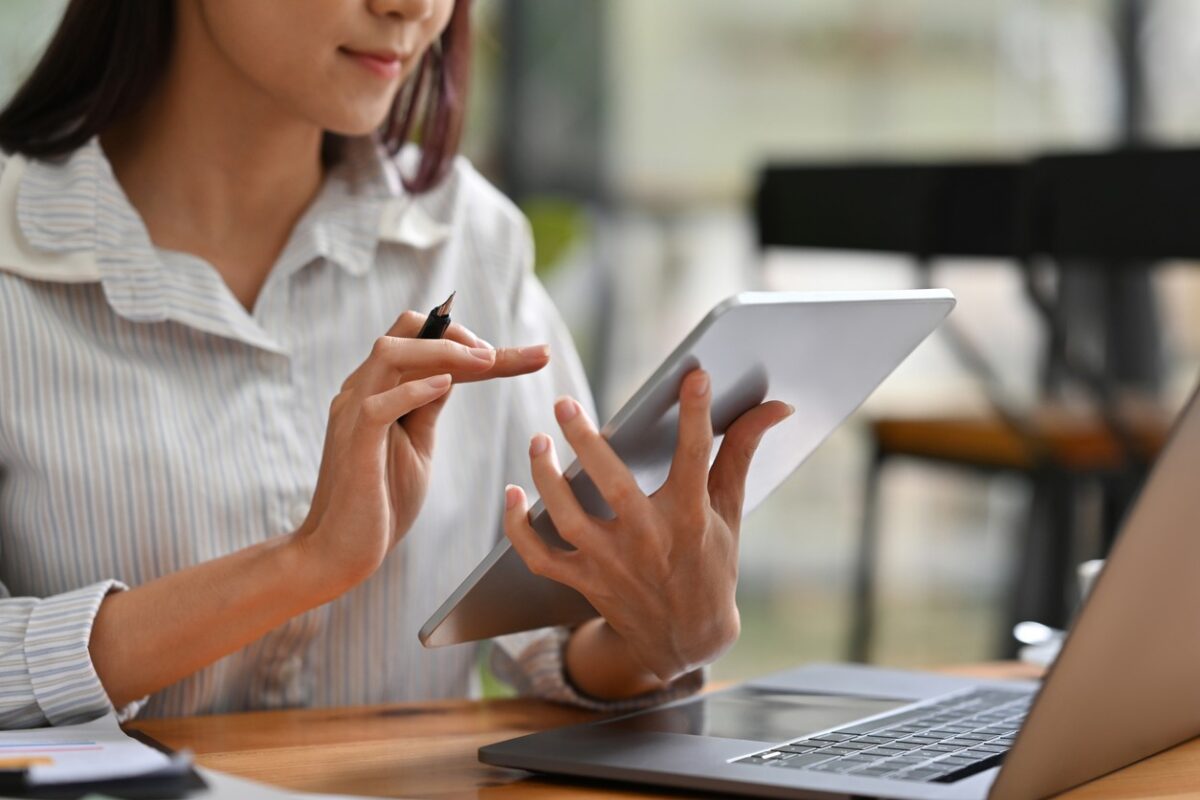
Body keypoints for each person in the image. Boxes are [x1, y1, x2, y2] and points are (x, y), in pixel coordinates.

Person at [0, 0, 791, 728]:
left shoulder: (470, 235)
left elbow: (552, 634)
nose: (413, 7)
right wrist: (302, 565)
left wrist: (657, 638)